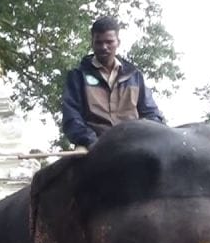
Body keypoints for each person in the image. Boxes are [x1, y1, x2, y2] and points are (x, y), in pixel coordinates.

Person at [60, 16, 164, 148]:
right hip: (92, 147)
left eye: (109, 42)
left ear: (118, 42)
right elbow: (71, 118)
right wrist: (92, 142)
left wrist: (144, 138)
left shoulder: (134, 76)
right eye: (99, 42)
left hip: (133, 146)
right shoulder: (78, 76)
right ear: (92, 43)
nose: (104, 47)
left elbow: (152, 114)